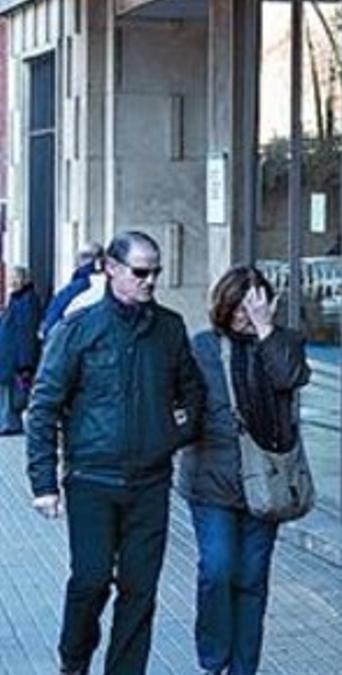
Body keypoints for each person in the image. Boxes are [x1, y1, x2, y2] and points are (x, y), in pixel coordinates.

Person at [25, 230, 206, 675]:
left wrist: (171, 436)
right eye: (140, 272)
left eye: (156, 272)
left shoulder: (169, 328)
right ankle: (74, 661)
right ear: (111, 268)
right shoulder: (79, 330)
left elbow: (193, 393)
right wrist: (44, 483)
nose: (150, 281)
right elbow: (44, 404)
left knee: (139, 589)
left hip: (150, 483)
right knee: (90, 581)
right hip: (92, 481)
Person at [177, 266, 310, 675]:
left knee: (252, 579)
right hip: (211, 480)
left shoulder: (284, 343)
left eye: (252, 304)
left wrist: (266, 329)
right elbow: (183, 402)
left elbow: (289, 378)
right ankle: (213, 660)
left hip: (267, 483)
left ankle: (243, 668)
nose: (242, 314)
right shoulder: (202, 347)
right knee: (217, 569)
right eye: (236, 305)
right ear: (223, 303)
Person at [0, 266, 41, 434]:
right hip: (9, 355)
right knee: (9, 391)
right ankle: (8, 422)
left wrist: (25, 363)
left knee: (13, 392)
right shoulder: (18, 298)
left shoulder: (25, 301)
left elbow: (25, 333)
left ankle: (9, 423)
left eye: (14, 278)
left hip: (14, 357)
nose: (11, 282)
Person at [39, 242, 105, 340]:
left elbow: (59, 306)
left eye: (84, 256)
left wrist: (46, 329)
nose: (79, 260)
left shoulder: (83, 283)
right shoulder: (103, 282)